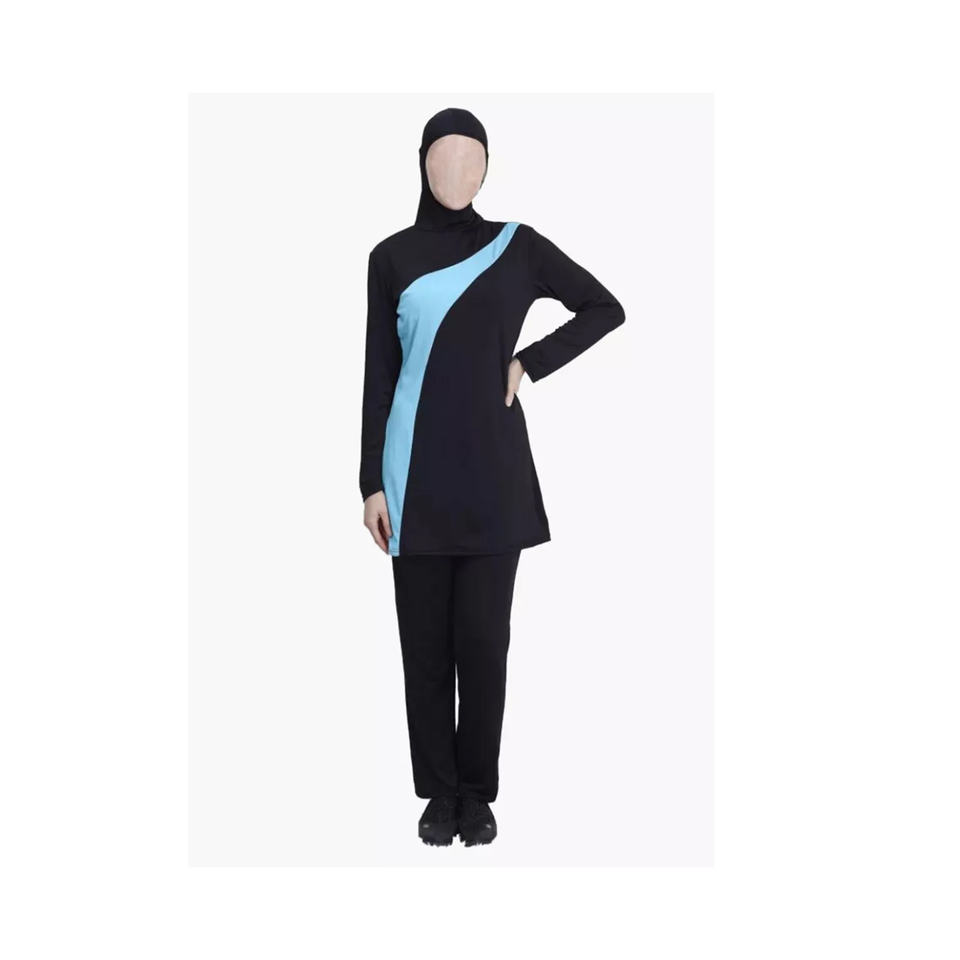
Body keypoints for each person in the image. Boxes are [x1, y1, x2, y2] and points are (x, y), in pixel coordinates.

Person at [359, 107, 625, 846]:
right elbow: (379, 373)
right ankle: (437, 794)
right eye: (443, 157)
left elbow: (604, 307)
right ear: (421, 164)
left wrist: (529, 362)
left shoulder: (517, 245)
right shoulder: (390, 257)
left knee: (483, 646)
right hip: (411, 479)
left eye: (472, 158)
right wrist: (370, 482)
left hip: (492, 480)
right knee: (423, 650)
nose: (458, 171)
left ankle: (476, 794)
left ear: (487, 167)